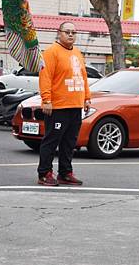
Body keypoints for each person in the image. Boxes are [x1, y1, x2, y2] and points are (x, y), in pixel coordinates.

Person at [37, 21, 91, 186]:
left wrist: (87, 97)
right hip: (58, 106)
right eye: (67, 32)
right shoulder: (51, 52)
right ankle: (44, 173)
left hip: (75, 105)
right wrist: (46, 100)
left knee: (70, 142)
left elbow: (83, 76)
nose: (70, 35)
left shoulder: (77, 52)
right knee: (52, 140)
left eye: (73, 32)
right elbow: (45, 77)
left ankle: (65, 173)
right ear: (59, 33)